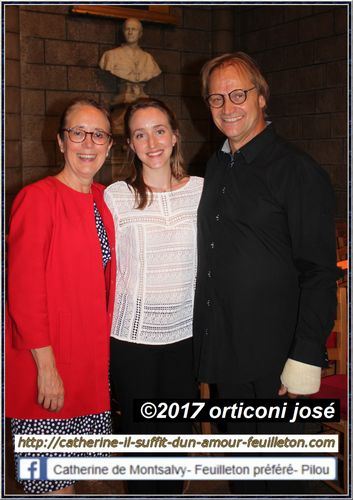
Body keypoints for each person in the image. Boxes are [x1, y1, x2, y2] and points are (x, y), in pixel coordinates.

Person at [193, 52, 339, 494]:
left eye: (238, 93)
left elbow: (317, 271)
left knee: (285, 478)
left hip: (278, 361)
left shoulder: (298, 171)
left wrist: (306, 355)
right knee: (243, 475)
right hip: (228, 353)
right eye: (216, 98)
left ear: (261, 96)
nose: (228, 106)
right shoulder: (215, 164)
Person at [6, 98, 115, 495]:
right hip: (46, 367)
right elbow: (23, 292)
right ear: (60, 141)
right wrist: (47, 369)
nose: (88, 143)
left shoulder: (106, 199)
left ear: (109, 145)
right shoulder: (37, 198)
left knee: (84, 479)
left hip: (88, 368)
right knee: (52, 488)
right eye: (78, 133)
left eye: (99, 134)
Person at [104, 97, 203, 494]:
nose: (152, 142)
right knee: (139, 441)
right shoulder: (115, 196)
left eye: (159, 130)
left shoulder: (203, 190)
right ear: (129, 144)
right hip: (131, 340)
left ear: (175, 135)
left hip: (185, 338)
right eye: (140, 134)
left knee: (178, 439)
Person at [99, 17, 161, 101]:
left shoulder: (148, 58)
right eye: (127, 29)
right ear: (123, 32)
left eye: (134, 29)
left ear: (140, 34)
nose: (130, 32)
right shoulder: (110, 55)